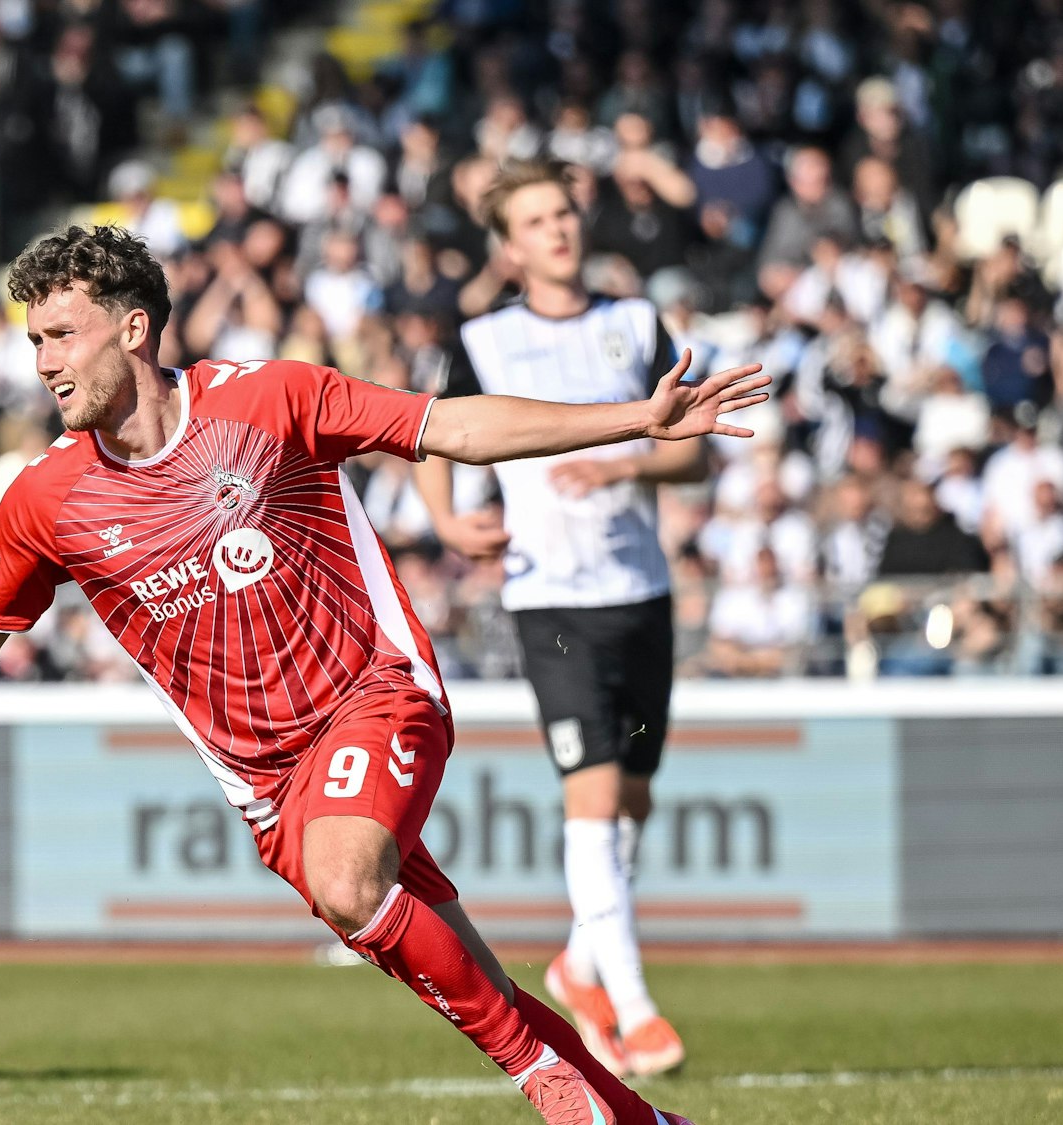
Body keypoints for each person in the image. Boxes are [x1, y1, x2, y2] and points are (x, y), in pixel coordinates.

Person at [0, 224, 766, 1125]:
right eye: (31, 338)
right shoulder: (45, 500)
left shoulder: (269, 400)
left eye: (58, 333)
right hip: (265, 786)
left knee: (349, 880)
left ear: (132, 327)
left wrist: (634, 419)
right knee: (463, 969)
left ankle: (542, 1077)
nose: (40, 360)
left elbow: (445, 425)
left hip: (377, 691)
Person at [416, 159, 693, 1080]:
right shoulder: (486, 339)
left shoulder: (635, 321)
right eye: (536, 220)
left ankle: (580, 961)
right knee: (597, 793)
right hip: (550, 599)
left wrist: (628, 465)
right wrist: (451, 517)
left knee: (635, 799)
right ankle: (637, 1004)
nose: (558, 230)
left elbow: (691, 455)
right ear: (510, 245)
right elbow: (430, 432)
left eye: (565, 212)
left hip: (640, 592)